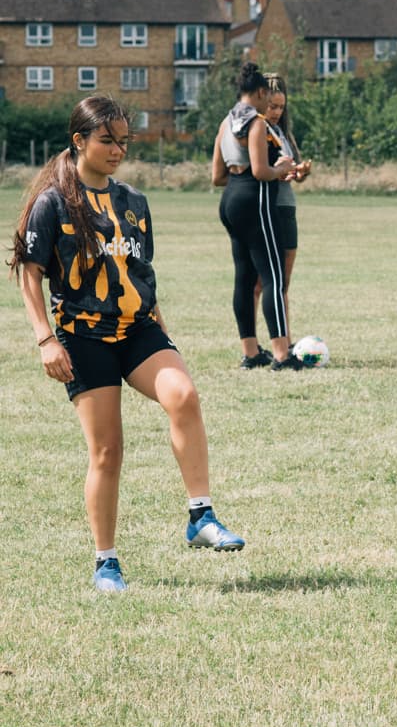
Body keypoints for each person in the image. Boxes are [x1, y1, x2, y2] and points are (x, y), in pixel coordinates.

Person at [10, 95, 245, 594]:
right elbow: (28, 275)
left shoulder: (134, 201)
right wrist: (45, 340)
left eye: (123, 141)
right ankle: (106, 563)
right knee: (108, 451)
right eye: (107, 140)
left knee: (183, 396)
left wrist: (161, 326)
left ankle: (200, 516)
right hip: (83, 338)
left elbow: (141, 271)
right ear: (79, 141)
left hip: (138, 328)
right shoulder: (52, 201)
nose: (118, 150)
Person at [211, 61, 301, 370]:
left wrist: (242, 180)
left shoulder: (226, 121)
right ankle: (282, 355)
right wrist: (283, 170)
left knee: (243, 277)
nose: (269, 106)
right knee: (273, 276)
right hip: (255, 198)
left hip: (230, 198)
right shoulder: (257, 122)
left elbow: (216, 176)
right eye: (268, 98)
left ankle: (250, 352)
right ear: (261, 92)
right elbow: (262, 171)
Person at [252, 73, 312, 343]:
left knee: (282, 283)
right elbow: (258, 171)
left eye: (280, 107)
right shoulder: (255, 132)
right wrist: (280, 171)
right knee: (259, 284)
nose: (276, 112)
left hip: (287, 208)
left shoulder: (281, 133)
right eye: (272, 106)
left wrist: (300, 172)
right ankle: (253, 346)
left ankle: (285, 340)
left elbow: (288, 171)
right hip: (265, 210)